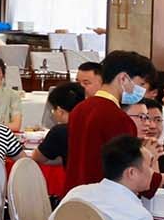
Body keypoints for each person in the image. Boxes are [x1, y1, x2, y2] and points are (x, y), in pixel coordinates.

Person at [65, 50, 154, 193]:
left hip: (75, 193)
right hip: (104, 197)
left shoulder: (80, 108)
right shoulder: (118, 117)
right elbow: (127, 172)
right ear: (123, 78)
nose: (142, 90)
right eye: (141, 83)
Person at [33, 82, 84, 169]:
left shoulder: (60, 131)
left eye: (53, 109)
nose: (53, 113)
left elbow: (37, 157)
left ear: (60, 111)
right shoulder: (90, 124)